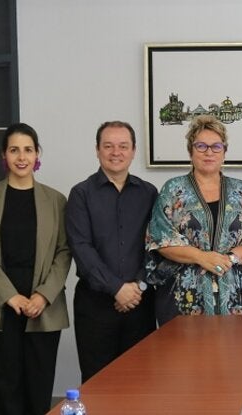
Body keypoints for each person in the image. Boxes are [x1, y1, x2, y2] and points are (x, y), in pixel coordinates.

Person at [0, 123, 70, 415]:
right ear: (4, 156)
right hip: (0, 305)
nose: (21, 156)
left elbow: (64, 251)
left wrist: (43, 295)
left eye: (28, 149)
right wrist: (10, 295)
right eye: (14, 150)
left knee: (38, 385)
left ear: (37, 154)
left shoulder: (56, 200)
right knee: (4, 385)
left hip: (43, 305)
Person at [146, 115, 242, 325]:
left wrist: (229, 259)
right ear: (190, 151)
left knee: (237, 357)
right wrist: (200, 257)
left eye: (216, 146)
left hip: (237, 298)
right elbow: (161, 239)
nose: (209, 152)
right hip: (182, 300)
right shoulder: (173, 190)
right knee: (183, 358)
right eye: (201, 146)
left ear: (224, 152)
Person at [66, 121, 157, 383]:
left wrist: (136, 286)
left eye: (123, 146)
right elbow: (81, 248)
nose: (115, 152)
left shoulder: (149, 193)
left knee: (139, 382)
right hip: (95, 306)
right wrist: (117, 288)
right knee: (98, 384)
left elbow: (156, 246)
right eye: (108, 146)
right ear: (97, 150)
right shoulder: (81, 194)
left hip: (140, 304)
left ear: (133, 151)